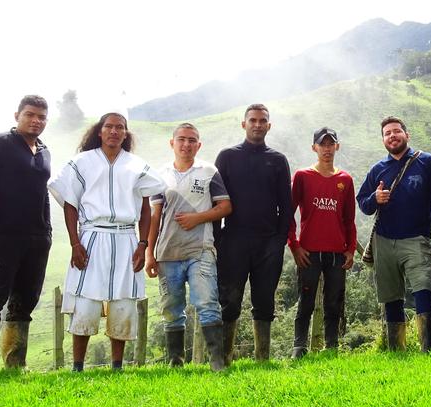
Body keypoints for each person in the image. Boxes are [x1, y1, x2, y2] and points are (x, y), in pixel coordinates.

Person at [48, 112, 165, 371]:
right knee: (86, 301)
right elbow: (70, 204)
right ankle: (77, 365)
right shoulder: (82, 163)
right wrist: (75, 243)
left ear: (125, 133)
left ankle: (117, 366)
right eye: (109, 126)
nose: (114, 131)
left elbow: (145, 208)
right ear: (99, 132)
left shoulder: (136, 165)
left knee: (123, 301)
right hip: (91, 236)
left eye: (119, 127)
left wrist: (143, 244)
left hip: (126, 238)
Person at [0, 95, 52, 377]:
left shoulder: (43, 151)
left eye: (41, 117)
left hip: (37, 239)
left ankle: (15, 364)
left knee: (26, 300)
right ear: (17, 115)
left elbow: (43, 195)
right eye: (30, 115)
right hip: (1, 236)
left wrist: (47, 231)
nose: (36, 120)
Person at [145, 123, 232, 370]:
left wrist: (198, 218)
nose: (186, 144)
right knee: (172, 308)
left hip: (200, 248)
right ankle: (175, 362)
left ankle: (217, 362)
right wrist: (150, 253)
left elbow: (225, 207)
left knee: (207, 302)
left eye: (192, 140)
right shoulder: (159, 175)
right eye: (181, 139)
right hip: (168, 252)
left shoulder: (208, 171)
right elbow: (154, 216)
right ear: (172, 143)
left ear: (199, 145)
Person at [357, 116, 431, 351]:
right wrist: (375, 198)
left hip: (417, 239)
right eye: (387, 133)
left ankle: (429, 349)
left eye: (397, 131)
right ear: (383, 139)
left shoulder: (427, 162)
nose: (392, 136)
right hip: (383, 240)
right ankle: (397, 349)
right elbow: (363, 204)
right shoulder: (378, 169)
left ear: (407, 134)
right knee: (391, 294)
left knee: (423, 288)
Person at [214, 104, 292, 362]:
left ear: (269, 125)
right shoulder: (227, 157)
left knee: (264, 300)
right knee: (229, 300)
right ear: (243, 124)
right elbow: (214, 201)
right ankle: (224, 357)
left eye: (263, 121)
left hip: (269, 243)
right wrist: (216, 240)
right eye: (253, 120)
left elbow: (287, 204)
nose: (257, 125)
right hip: (233, 239)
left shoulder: (278, 160)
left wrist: (280, 240)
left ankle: (263, 358)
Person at [287, 128, 356, 358]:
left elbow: (349, 219)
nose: (326, 149)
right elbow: (289, 213)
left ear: (337, 146)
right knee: (305, 300)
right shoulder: (303, 176)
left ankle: (332, 347)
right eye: (322, 144)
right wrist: (294, 245)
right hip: (309, 251)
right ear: (314, 148)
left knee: (334, 302)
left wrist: (350, 249)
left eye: (330, 144)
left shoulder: (345, 179)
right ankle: (299, 347)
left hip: (336, 252)